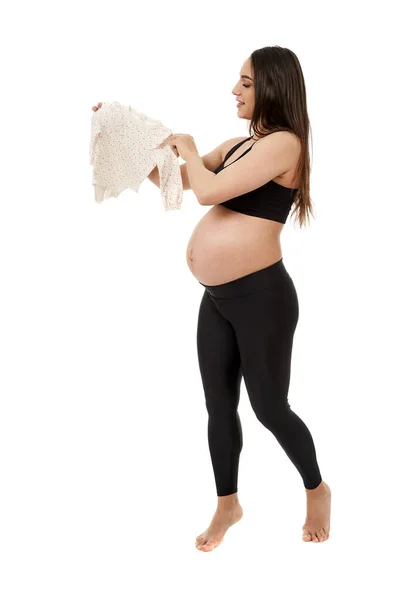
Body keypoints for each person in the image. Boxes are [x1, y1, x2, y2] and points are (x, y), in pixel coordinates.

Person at [91, 46, 331, 552]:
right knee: (218, 406)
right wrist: (120, 135)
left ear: (272, 87)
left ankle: (316, 488)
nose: (235, 90)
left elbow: (208, 192)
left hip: (263, 298)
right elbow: (177, 182)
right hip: (217, 297)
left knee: (269, 408)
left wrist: (191, 146)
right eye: (238, 82)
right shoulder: (239, 145)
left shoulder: (286, 145)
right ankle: (228, 504)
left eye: (245, 83)